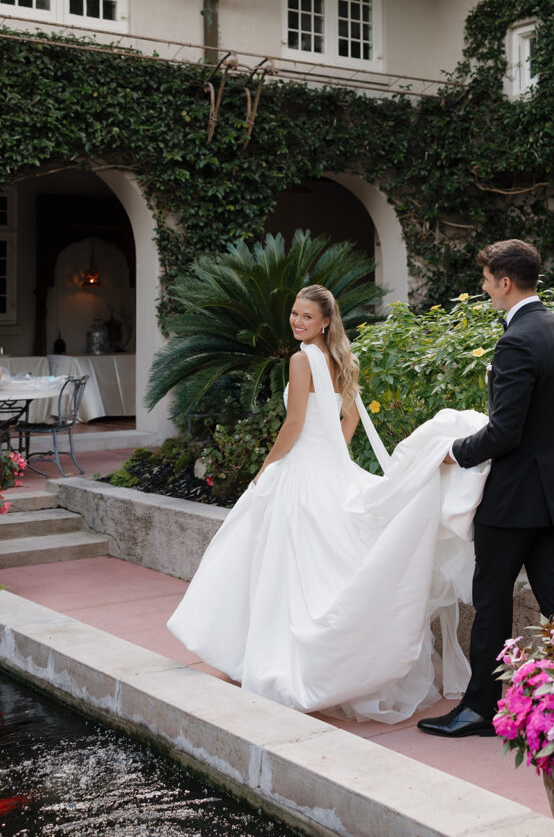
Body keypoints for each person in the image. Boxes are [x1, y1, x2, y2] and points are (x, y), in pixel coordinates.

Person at [168, 284, 490, 723]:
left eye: (306, 316)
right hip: (326, 469)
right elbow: (349, 417)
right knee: (312, 565)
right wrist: (333, 456)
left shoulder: (302, 360)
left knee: (282, 566)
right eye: (294, 314)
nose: (297, 322)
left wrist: (266, 466)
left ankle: (278, 658)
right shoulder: (338, 358)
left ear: (324, 321)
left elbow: (295, 423)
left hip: (302, 470)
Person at [418, 239, 554, 738]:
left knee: (490, 601)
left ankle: (480, 710)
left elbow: (505, 432)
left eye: (487, 279)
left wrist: (453, 451)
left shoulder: (517, 339)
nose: (484, 286)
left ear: (505, 281)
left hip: (514, 498)